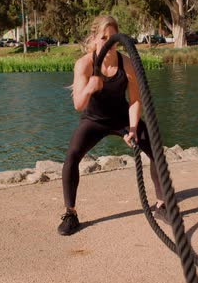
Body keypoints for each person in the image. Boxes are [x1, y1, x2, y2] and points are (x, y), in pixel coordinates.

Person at [58, 15, 169, 236]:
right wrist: (90, 87)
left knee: (156, 149)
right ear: (94, 39)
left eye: (113, 39)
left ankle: (161, 204)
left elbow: (135, 99)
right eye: (103, 37)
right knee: (72, 156)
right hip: (94, 120)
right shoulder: (84, 64)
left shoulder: (127, 63)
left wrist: (133, 128)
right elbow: (78, 105)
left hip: (121, 118)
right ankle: (70, 213)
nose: (108, 43)